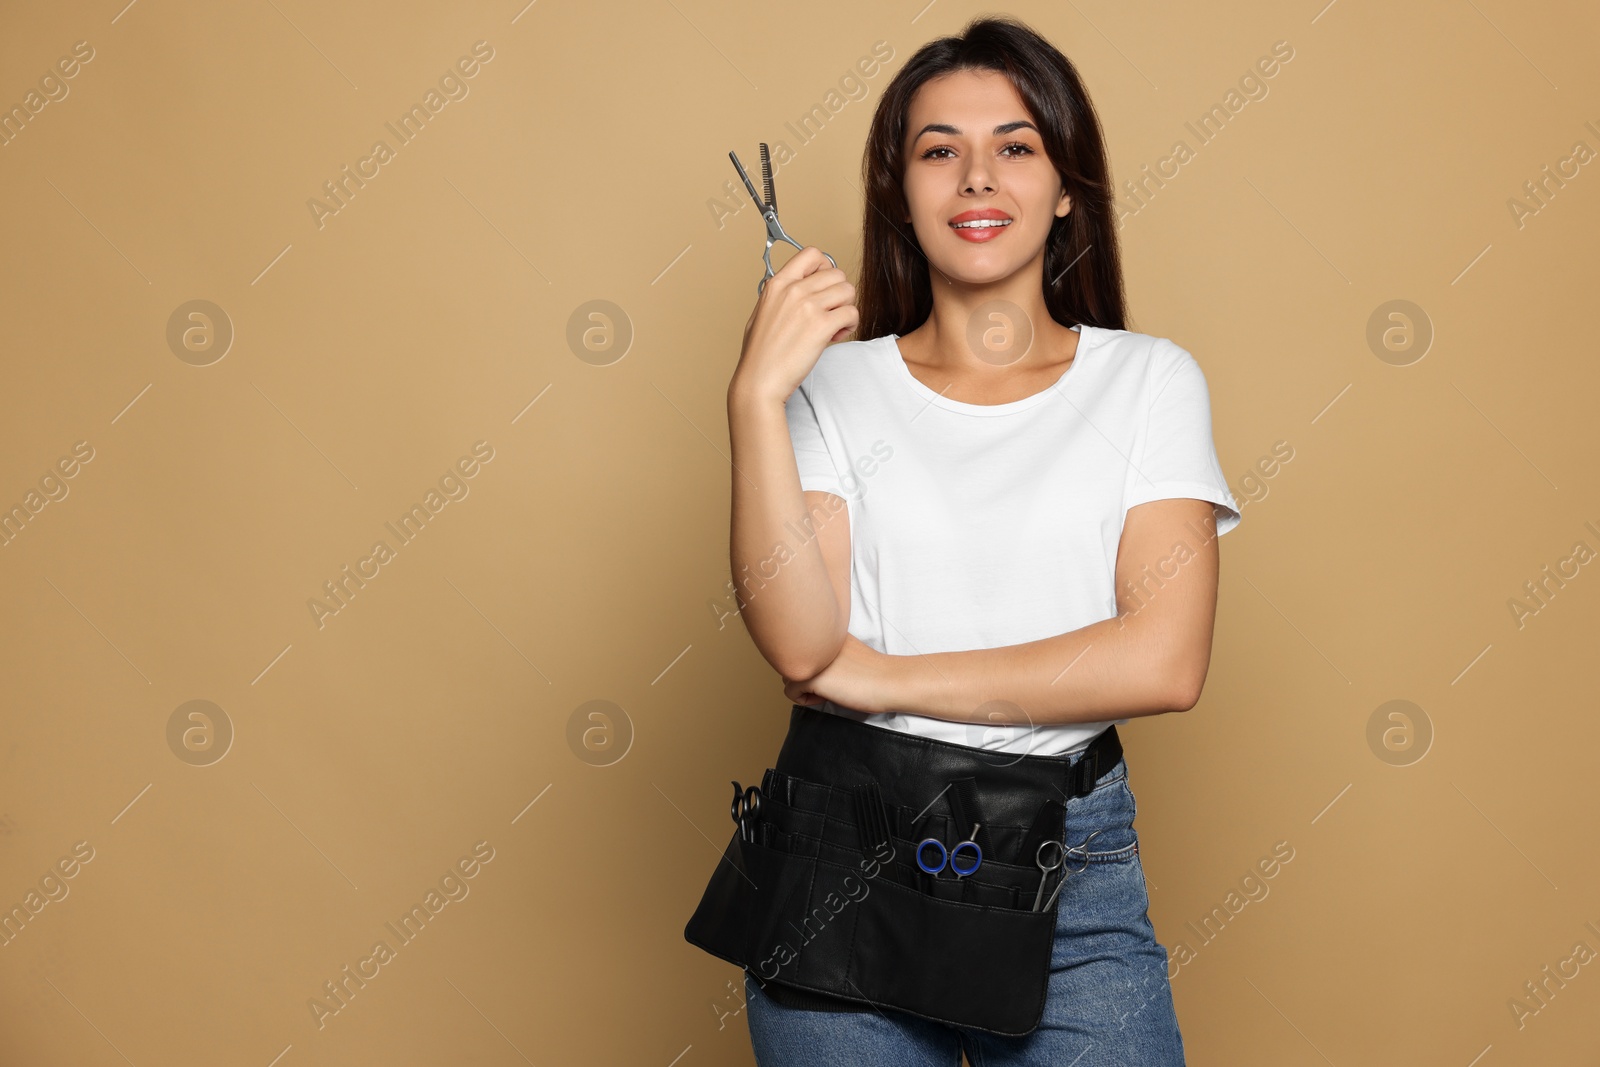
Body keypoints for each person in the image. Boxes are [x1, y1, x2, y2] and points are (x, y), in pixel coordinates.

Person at [723, 14, 1240, 1065]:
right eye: (937, 150)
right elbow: (800, 643)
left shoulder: (1148, 382)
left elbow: (1163, 658)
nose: (974, 178)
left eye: (1014, 145)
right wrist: (754, 398)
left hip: (1069, 865)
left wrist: (881, 675)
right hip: (845, 854)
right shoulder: (830, 384)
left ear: (1064, 187)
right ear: (899, 194)